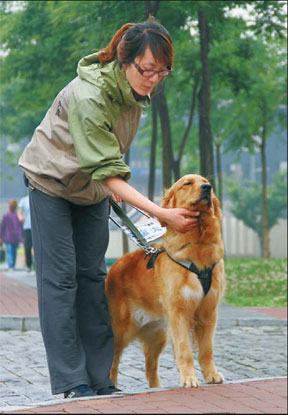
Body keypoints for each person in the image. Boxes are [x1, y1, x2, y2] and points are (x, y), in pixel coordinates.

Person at [18, 21, 200, 399]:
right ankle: (73, 380)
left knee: (92, 276)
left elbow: (107, 159)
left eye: (161, 70)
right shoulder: (90, 94)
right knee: (61, 281)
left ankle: (101, 378)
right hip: (51, 185)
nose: (152, 78)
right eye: (145, 69)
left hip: (93, 188)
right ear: (125, 60)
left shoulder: (132, 93)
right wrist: (160, 214)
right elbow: (104, 165)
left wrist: (110, 183)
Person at [0, 200, 23, 270]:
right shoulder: (17, 216)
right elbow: (21, 227)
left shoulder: (6, 215)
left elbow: (2, 227)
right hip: (16, 236)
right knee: (13, 251)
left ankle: (11, 266)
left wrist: (0, 236)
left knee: (9, 251)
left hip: (8, 236)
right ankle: (12, 265)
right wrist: (22, 236)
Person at [18, 194, 33, 272]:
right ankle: (28, 265)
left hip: (37, 226)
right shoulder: (24, 200)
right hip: (27, 227)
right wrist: (21, 217)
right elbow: (20, 212)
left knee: (39, 247)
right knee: (27, 247)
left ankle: (38, 265)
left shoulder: (38, 199)